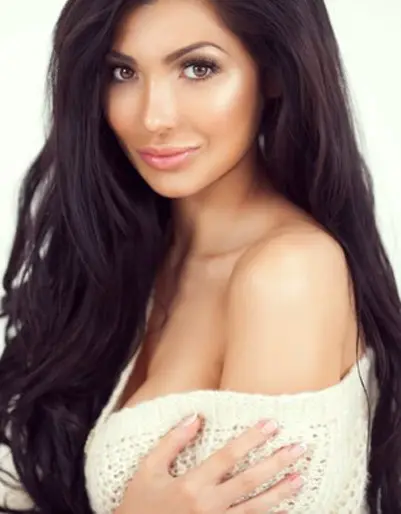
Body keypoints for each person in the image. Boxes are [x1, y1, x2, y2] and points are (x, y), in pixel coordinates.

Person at [0, 0, 400, 512]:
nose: (153, 117)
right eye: (122, 72)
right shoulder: (125, 256)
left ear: (274, 72)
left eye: (198, 68)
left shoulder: (288, 275)